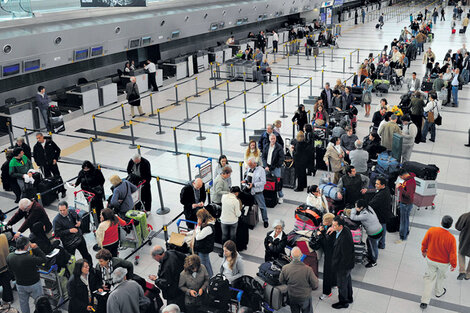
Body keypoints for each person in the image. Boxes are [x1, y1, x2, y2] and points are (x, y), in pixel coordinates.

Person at [420, 216, 457, 309]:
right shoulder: (451, 238)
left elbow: (424, 242)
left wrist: (423, 251)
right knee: (441, 277)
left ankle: (424, 301)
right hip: (444, 263)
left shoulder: (432, 230)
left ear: (441, 222)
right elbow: (453, 254)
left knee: (429, 279)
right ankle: (438, 292)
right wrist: (453, 265)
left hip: (431, 259)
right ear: (451, 225)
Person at [7, 236, 46, 313]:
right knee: (40, 302)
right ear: (25, 246)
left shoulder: (10, 257)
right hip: (34, 283)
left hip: (20, 284)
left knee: (23, 303)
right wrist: (36, 248)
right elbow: (43, 259)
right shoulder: (30, 258)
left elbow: (10, 270)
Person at [279, 246, 318, 313]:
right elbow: (315, 285)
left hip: (292, 296)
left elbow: (281, 280)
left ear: (291, 256)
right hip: (305, 296)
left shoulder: (285, 268)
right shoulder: (308, 269)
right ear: (301, 256)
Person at [53, 201, 93, 265]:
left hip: (79, 238)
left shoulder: (71, 211)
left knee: (86, 254)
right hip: (69, 243)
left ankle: (90, 268)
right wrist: (69, 231)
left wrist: (79, 221)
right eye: (60, 210)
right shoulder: (56, 220)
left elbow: (78, 217)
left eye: (64, 210)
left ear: (67, 208)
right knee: (71, 259)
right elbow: (57, 233)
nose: (62, 212)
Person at [350, 200, 383, 268]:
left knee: (373, 247)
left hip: (374, 233)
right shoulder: (369, 208)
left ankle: (373, 261)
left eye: (356, 207)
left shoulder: (365, 215)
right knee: (369, 242)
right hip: (379, 229)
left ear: (361, 207)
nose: (356, 208)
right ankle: (370, 254)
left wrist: (353, 210)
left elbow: (353, 217)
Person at [331, 216, 355, 309]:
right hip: (348, 265)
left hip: (343, 266)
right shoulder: (345, 229)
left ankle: (343, 302)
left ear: (340, 226)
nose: (333, 227)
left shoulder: (344, 239)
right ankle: (349, 297)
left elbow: (346, 256)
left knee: (341, 284)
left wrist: (340, 268)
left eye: (334, 226)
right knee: (347, 281)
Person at [188, 208, 215, 277]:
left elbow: (198, 237)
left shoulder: (208, 228)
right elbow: (197, 231)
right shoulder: (205, 224)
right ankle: (210, 274)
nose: (197, 220)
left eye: (198, 218)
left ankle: (209, 276)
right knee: (207, 262)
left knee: (204, 264)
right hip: (203, 247)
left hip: (204, 248)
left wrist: (199, 225)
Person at [242, 157, 268, 228]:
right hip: (249, 191)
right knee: (249, 206)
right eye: (249, 165)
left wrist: (253, 185)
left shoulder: (261, 170)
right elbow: (248, 177)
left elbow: (263, 182)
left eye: (250, 165)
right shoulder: (249, 169)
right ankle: (251, 220)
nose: (249, 166)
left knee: (262, 206)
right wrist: (245, 181)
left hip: (257, 192)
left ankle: (265, 220)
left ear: (255, 163)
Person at [368, 177, 392, 249]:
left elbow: (372, 204)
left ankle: (380, 244)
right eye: (375, 183)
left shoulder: (381, 195)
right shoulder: (386, 189)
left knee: (381, 229)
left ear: (383, 185)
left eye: (377, 184)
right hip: (385, 214)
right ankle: (382, 244)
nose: (376, 185)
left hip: (381, 215)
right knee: (383, 229)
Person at [317, 213, 336, 300]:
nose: (322, 222)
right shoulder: (333, 228)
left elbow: (326, 243)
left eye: (324, 221)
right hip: (335, 253)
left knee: (327, 273)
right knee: (333, 270)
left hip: (330, 254)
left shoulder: (331, 231)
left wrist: (320, 234)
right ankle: (334, 283)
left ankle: (326, 292)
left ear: (329, 222)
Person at [262, 134, 285, 203]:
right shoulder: (266, 146)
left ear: (275, 139)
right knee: (266, 181)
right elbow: (263, 157)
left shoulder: (279, 147)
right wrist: (265, 165)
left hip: (275, 168)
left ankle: (281, 196)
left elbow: (281, 158)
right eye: (271, 138)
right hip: (267, 167)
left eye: (274, 138)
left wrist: (276, 166)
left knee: (278, 182)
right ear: (269, 139)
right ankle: (268, 195)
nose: (272, 140)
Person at [395, 169, 416, 243]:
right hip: (407, 203)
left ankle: (402, 236)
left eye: (401, 177)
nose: (401, 179)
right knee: (406, 218)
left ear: (403, 175)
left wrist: (400, 187)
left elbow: (408, 195)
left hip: (405, 203)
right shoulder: (410, 179)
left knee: (403, 220)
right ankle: (406, 231)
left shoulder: (410, 182)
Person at [456, 211, 470, 280]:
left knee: (461, 253)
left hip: (465, 240)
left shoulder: (465, 216)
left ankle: (462, 271)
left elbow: (458, 227)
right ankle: (468, 274)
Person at [0, 233, 13, 306]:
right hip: (6, 263)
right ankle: (8, 299)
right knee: (6, 283)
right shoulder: (3, 236)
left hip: (0, 266)